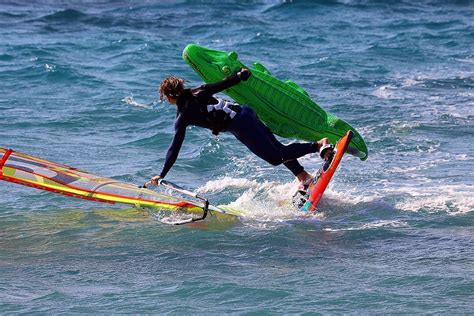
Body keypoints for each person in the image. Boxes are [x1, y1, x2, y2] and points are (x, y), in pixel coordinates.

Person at [148, 68, 333, 193]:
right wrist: (240, 74)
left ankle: (318, 145)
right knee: (276, 147)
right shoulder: (198, 91)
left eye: (166, 98)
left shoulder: (182, 117)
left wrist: (162, 174)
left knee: (276, 157)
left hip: (240, 125)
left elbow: (174, 148)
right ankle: (303, 177)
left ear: (170, 96)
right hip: (246, 112)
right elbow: (225, 83)